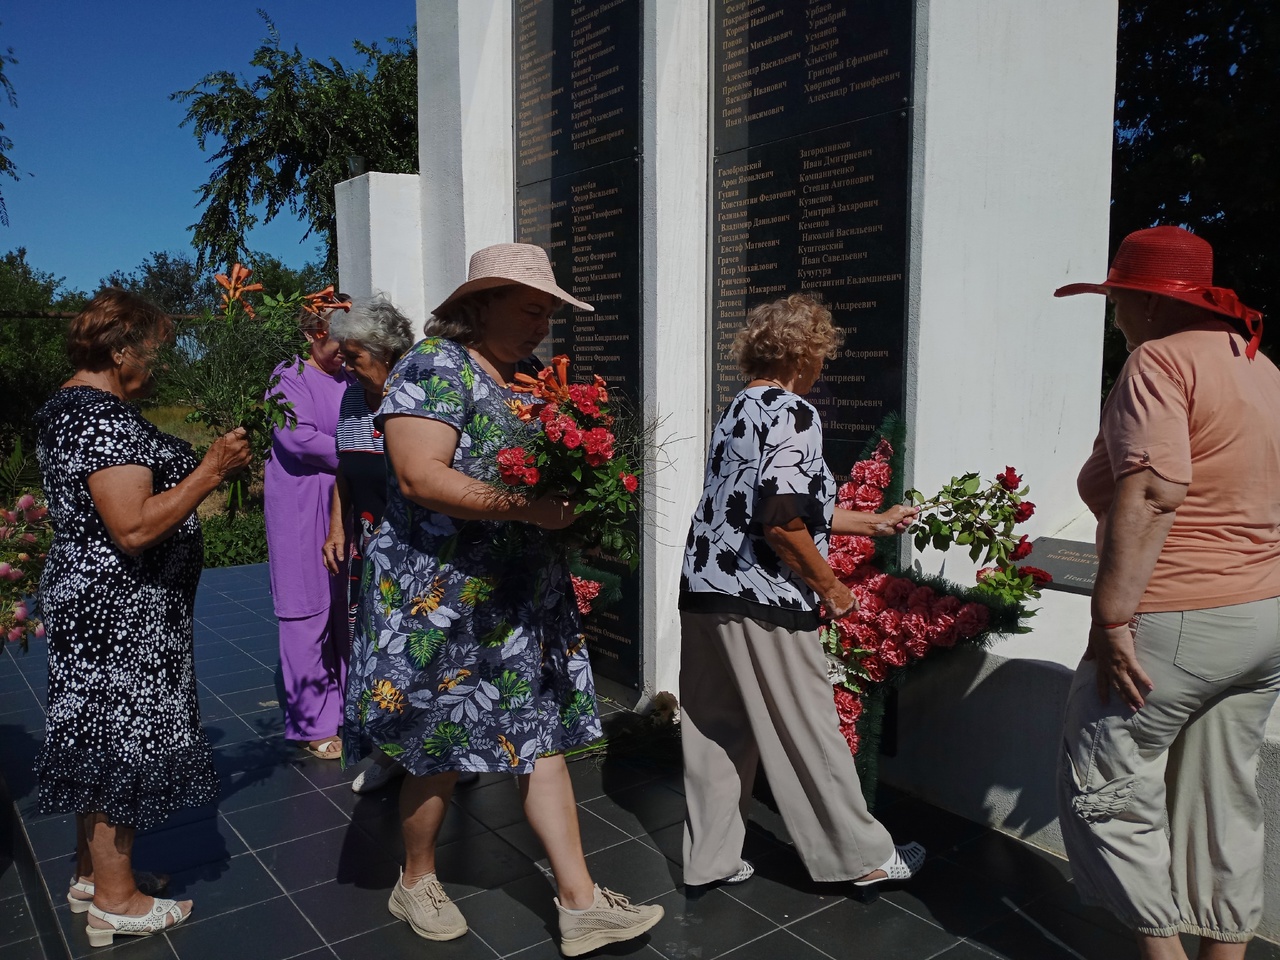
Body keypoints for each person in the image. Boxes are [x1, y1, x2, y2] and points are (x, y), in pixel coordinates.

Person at [342, 243, 663, 955]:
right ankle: (416, 877)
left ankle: (580, 903)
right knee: (438, 744)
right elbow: (419, 475)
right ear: (477, 305)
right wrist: (528, 506)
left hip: (519, 595)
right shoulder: (434, 367)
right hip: (438, 597)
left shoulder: (531, 381)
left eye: (549, 310)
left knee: (536, 730)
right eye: (530, 307)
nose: (542, 324)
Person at [1055, 225, 1280, 960]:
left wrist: (1112, 615)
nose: (1114, 312)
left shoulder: (1158, 361)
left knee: (1105, 793)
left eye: (1115, 298)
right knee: (1223, 800)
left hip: (1178, 618)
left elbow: (1153, 491)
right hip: (1263, 619)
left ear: (1146, 301)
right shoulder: (1263, 368)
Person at [678, 293, 925, 891]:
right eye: (822, 355)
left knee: (716, 729)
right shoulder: (794, 413)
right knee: (809, 726)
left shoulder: (738, 408)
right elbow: (782, 523)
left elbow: (768, 505)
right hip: (762, 594)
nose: (823, 367)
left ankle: (709, 859)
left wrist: (872, 522)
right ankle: (858, 858)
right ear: (805, 353)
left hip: (705, 587)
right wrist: (833, 588)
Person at [33, 289, 251, 946]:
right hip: (121, 609)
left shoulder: (65, 408)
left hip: (93, 601)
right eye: (150, 352)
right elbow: (131, 527)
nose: (154, 366)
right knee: (121, 743)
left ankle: (90, 877)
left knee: (93, 737)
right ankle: (117, 903)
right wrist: (211, 470)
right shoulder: (103, 421)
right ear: (120, 349)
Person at [320, 295, 415, 793]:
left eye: (354, 356)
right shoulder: (353, 397)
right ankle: (388, 753)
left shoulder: (416, 396)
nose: (345, 364)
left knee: (416, 652)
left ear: (386, 352)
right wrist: (337, 526)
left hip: (416, 549)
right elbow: (345, 467)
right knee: (375, 650)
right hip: (367, 542)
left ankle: (439, 758)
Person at [265, 293, 353, 759]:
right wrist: (362, 451)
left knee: (343, 606)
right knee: (306, 613)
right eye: (336, 337)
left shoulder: (351, 378)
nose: (343, 347)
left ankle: (345, 708)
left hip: (343, 504)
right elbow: (299, 439)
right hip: (301, 509)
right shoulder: (289, 377)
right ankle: (311, 724)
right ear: (311, 333)